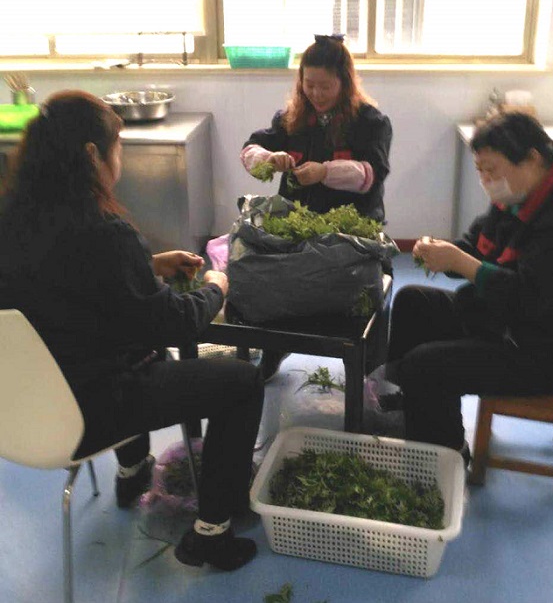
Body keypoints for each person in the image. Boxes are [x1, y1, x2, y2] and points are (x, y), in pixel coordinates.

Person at [0, 90, 264, 572]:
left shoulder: (12, 219)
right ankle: (212, 533)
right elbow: (174, 323)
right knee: (242, 383)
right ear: (92, 155)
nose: (118, 158)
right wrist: (216, 287)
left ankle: (132, 471)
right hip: (91, 408)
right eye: (117, 147)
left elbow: (68, 285)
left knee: (121, 337)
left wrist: (149, 265)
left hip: (19, 411)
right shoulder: (104, 231)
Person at [383, 112, 553, 463]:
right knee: (412, 301)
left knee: (425, 366)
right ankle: (411, 402)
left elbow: (528, 298)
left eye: (492, 170)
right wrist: (442, 253)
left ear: (533, 159)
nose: (486, 180)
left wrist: (462, 264)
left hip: (539, 350)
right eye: (480, 170)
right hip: (499, 319)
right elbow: (477, 247)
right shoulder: (516, 194)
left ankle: (446, 457)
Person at [240, 34, 393, 378]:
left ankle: (369, 369)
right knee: (275, 278)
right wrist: (269, 158)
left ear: (345, 82)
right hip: (299, 225)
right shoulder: (292, 118)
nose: (316, 93)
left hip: (352, 233)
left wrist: (325, 172)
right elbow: (251, 148)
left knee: (369, 292)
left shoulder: (370, 123)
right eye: (309, 84)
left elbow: (372, 174)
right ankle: (275, 348)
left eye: (325, 86)